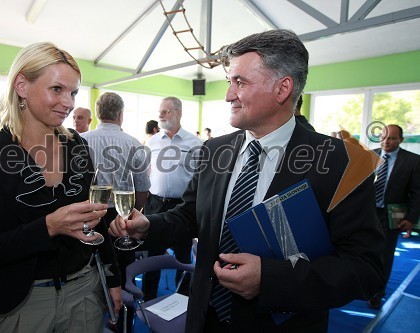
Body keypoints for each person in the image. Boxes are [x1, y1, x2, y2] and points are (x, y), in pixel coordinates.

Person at [110, 30, 385, 333]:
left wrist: (270, 279)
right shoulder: (214, 150)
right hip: (205, 316)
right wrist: (151, 225)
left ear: (282, 89)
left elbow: (365, 267)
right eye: (230, 82)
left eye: (240, 82)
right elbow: (192, 215)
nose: (228, 94)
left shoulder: (341, 162)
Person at [0, 42, 121, 332]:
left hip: (84, 292)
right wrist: (48, 227)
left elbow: (94, 220)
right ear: (22, 85)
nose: (69, 102)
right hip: (20, 302)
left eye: (73, 92)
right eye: (57, 89)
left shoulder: (77, 146)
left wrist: (112, 278)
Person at [83, 92, 150, 332]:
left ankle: (91, 319)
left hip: (89, 216)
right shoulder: (133, 143)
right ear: (121, 114)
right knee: (121, 270)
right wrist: (135, 214)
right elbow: (141, 188)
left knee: (91, 268)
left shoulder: (81, 140)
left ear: (98, 112)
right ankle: (120, 323)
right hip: (123, 218)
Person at [141, 96, 202, 301]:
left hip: (182, 207)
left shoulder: (194, 143)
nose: (160, 115)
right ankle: (148, 297)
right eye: (160, 111)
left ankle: (183, 299)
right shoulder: (152, 142)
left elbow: (199, 177)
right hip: (155, 204)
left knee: (183, 256)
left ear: (178, 112)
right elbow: (146, 171)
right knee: (154, 255)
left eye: (166, 111)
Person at [368, 124, 420, 309]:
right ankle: (361, 286)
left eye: (391, 138)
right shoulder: (370, 156)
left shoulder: (413, 161)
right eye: (383, 137)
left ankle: (377, 292)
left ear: (401, 140)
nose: (386, 142)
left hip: (392, 215)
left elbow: (417, 193)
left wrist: (411, 218)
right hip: (366, 213)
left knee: (385, 255)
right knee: (362, 250)